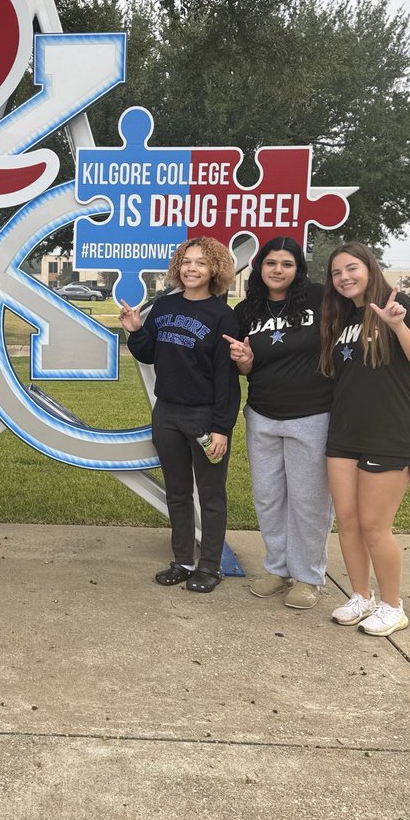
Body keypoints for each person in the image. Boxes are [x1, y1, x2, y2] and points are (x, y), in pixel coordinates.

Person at [320, 242, 410, 636]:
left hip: (390, 433)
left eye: (351, 268)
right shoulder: (342, 316)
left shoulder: (397, 302)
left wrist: (397, 325)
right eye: (336, 273)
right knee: (349, 522)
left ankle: (392, 605)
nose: (344, 278)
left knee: (374, 524)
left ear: (370, 268)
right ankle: (361, 595)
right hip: (345, 433)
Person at [120, 237, 240, 594]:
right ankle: (183, 561)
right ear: (177, 267)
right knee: (177, 492)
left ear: (214, 269)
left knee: (211, 494)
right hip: (168, 413)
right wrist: (136, 330)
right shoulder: (165, 306)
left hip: (205, 417)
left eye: (201, 263)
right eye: (187, 261)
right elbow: (148, 354)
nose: (192, 268)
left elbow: (227, 380)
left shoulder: (224, 316)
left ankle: (210, 566)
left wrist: (221, 428)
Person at [224, 238, 333, 610]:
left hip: (312, 414)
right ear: (260, 267)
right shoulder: (246, 310)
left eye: (287, 264)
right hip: (262, 414)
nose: (278, 270)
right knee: (269, 497)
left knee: (309, 501)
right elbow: (246, 367)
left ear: (298, 269)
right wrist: (243, 358)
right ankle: (277, 567)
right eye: (271, 263)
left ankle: (307, 576)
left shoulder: (318, 299)